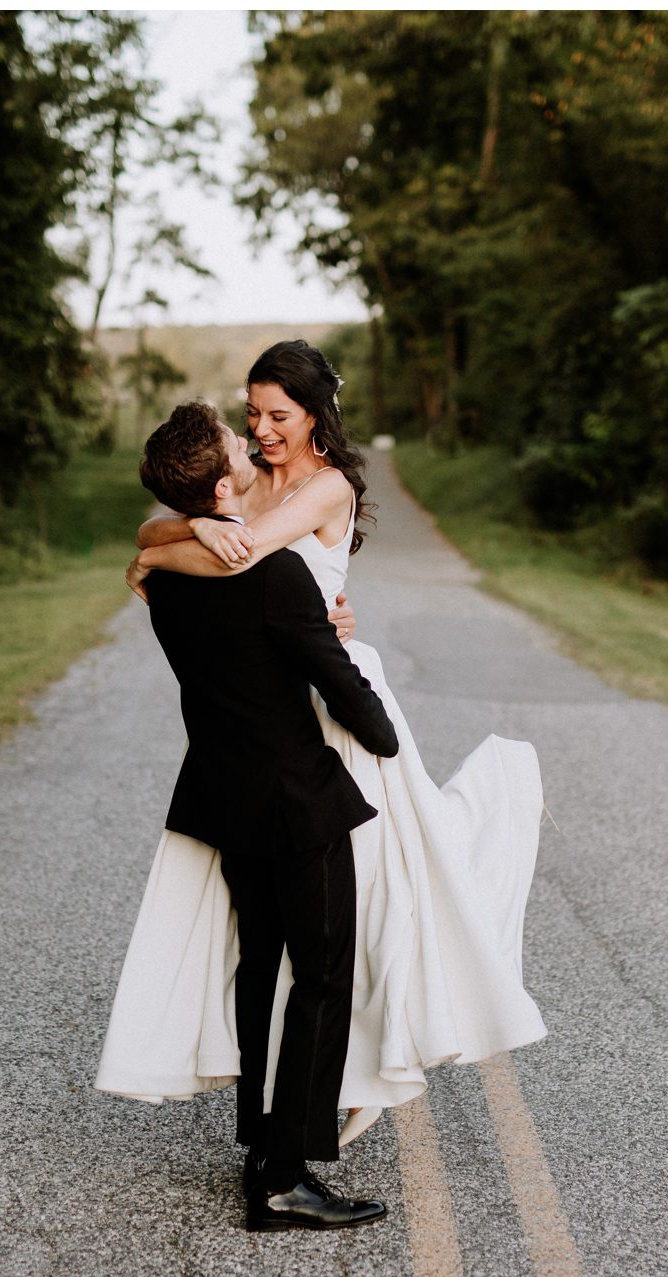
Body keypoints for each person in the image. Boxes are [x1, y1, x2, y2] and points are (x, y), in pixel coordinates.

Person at [96, 340, 545, 1150]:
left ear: (314, 415)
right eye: (253, 415)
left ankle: (379, 1060)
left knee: (375, 904)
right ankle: (305, 1099)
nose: (262, 430)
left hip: (335, 702)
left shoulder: (326, 484)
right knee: (299, 931)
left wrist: (160, 550)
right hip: (270, 709)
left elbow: (250, 557)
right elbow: (182, 520)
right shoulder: (242, 482)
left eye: (280, 415)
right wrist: (176, 528)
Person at [115, 398, 399, 1232]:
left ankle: (259, 1143)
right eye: (233, 441)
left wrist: (186, 530)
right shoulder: (274, 573)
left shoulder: (168, 577)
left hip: (225, 794)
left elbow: (157, 546)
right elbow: (337, 683)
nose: (247, 442)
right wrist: (382, 734)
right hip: (296, 802)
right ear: (220, 477)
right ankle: (283, 1172)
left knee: (261, 972)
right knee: (319, 976)